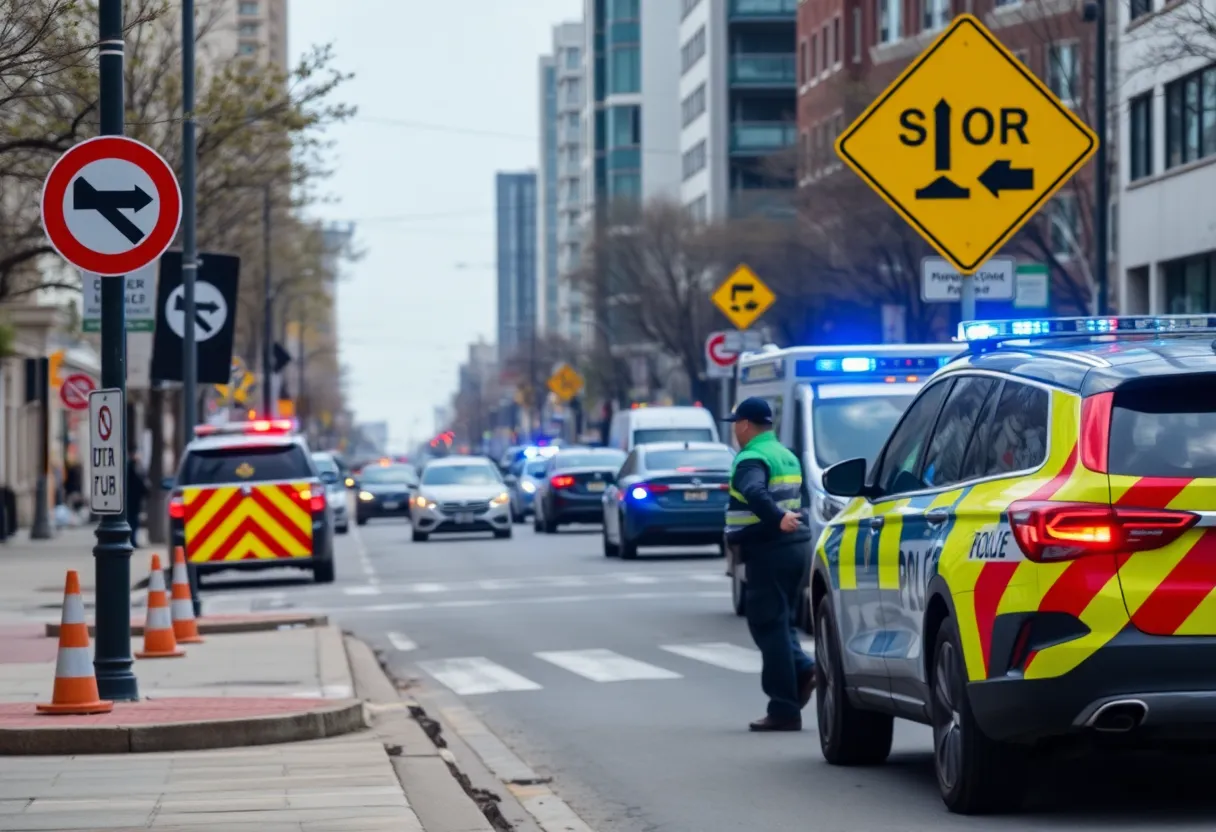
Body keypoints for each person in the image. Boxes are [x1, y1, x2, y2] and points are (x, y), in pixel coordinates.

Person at [724, 397, 817, 732]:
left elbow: (754, 491)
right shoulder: (785, 454)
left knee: (766, 624)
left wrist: (776, 518)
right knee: (779, 622)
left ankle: (783, 708)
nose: (735, 430)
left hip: (769, 547)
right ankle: (804, 670)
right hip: (795, 548)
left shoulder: (751, 457)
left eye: (736, 423)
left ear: (746, 425)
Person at [127, 451, 149, 548]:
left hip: (132, 501)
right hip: (133, 502)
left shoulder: (132, 470)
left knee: (133, 522)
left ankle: (132, 540)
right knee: (133, 522)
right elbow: (141, 485)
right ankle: (132, 541)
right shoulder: (133, 471)